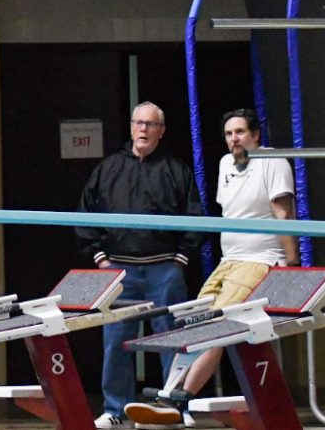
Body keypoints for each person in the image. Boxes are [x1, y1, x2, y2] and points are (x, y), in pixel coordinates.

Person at [125, 108, 298, 429]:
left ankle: (177, 399)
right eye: (230, 133)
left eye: (241, 132)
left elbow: (283, 213)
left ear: (255, 135)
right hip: (227, 262)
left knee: (216, 326)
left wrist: (293, 263)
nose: (235, 138)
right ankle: (170, 396)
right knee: (194, 322)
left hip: (260, 260)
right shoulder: (224, 164)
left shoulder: (274, 162)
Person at [76, 102, 203, 429]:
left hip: (165, 270)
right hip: (119, 271)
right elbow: (84, 215)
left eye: (150, 124)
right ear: (131, 127)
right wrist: (100, 258)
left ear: (161, 131)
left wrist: (180, 260)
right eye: (138, 123)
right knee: (115, 342)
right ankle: (116, 411)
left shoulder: (177, 170)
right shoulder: (107, 169)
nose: (143, 129)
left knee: (172, 339)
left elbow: (194, 218)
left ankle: (175, 406)